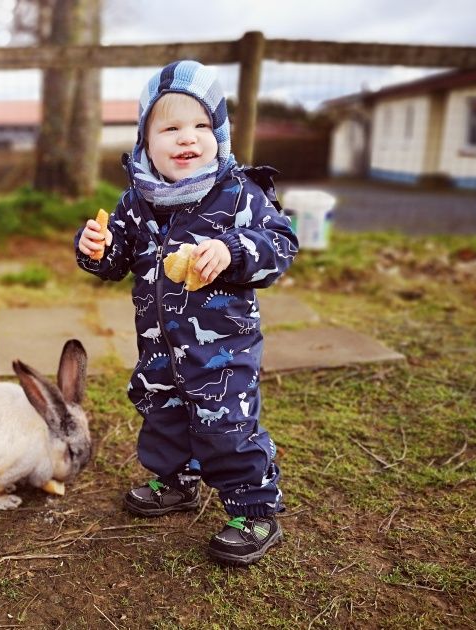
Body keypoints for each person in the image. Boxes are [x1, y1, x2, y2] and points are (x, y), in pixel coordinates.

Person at [75, 60, 298, 566]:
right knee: (163, 417)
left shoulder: (240, 194)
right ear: (145, 141)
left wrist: (237, 250)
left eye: (201, 126)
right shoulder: (136, 201)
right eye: (170, 127)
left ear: (219, 133)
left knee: (227, 430)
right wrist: (96, 248)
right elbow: (116, 260)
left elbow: (282, 244)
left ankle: (255, 510)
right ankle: (176, 484)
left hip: (224, 353)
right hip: (159, 350)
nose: (187, 139)